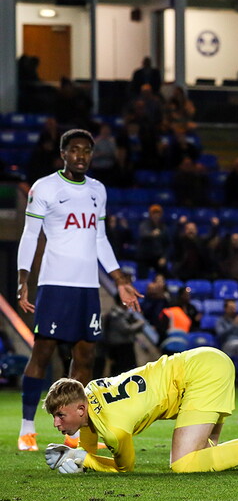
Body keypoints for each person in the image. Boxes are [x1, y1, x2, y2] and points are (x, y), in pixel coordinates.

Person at [16, 129, 142, 452]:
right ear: (63, 154)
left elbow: (100, 239)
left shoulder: (98, 190)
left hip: (88, 287)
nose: (81, 156)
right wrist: (23, 279)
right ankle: (27, 428)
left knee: (85, 356)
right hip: (55, 284)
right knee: (42, 353)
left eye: (87, 151)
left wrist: (120, 281)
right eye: (75, 150)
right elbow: (30, 236)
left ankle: (74, 434)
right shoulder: (44, 187)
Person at [41, 348, 238, 473]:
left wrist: (84, 460)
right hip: (201, 362)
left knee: (183, 464)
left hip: (200, 375)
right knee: (205, 455)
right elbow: (89, 432)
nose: (56, 423)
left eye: (59, 415)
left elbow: (125, 469)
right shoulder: (87, 394)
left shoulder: (114, 430)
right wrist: (80, 456)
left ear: (79, 408)